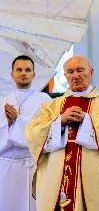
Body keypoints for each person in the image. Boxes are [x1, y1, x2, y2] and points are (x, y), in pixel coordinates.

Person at [25, 55, 99, 211]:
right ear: (65, 75)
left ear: (91, 71)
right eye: (70, 72)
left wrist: (88, 119)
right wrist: (59, 121)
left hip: (92, 173)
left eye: (80, 70)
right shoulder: (52, 105)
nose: (76, 76)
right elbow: (32, 132)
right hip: (57, 172)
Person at [0, 55, 51, 211]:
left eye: (28, 70)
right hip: (6, 165)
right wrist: (9, 125)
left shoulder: (45, 100)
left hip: (32, 165)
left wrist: (19, 120)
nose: (23, 73)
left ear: (34, 75)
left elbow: (47, 129)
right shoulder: (3, 101)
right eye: (19, 70)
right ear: (12, 74)